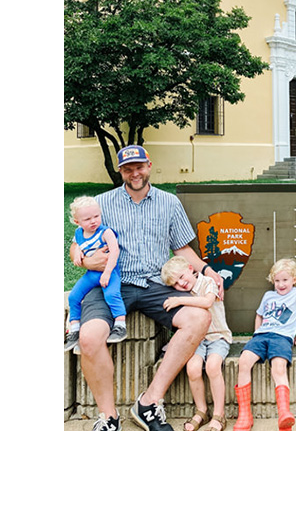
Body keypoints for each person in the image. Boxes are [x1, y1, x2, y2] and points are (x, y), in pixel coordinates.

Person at [70, 145, 222, 431]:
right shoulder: (102, 203)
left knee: (199, 318)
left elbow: (182, 247)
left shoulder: (169, 203)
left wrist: (207, 270)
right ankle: (108, 417)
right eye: (128, 168)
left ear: (149, 165)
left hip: (155, 283)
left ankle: (149, 403)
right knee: (89, 337)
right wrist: (80, 257)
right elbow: (78, 242)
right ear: (120, 171)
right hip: (112, 282)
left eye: (139, 166)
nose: (134, 173)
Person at [233, 258, 296, 431]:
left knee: (278, 368)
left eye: (285, 280)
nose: (281, 284)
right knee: (244, 361)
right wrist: (255, 334)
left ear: (294, 279)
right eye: (277, 281)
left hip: (282, 337)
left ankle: (284, 414)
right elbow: (259, 315)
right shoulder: (269, 296)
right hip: (261, 336)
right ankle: (245, 414)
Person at [159, 256, 232, 431]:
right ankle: (202, 410)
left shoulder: (208, 282)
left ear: (191, 268)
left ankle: (219, 414)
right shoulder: (181, 293)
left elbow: (207, 302)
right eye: (176, 283)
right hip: (197, 340)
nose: (181, 284)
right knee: (192, 368)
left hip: (217, 337)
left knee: (213, 366)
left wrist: (180, 300)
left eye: (182, 277)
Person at [65, 196, 127, 350]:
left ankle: (120, 325)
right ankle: (74, 329)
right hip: (91, 274)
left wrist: (107, 273)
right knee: (73, 297)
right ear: (77, 222)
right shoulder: (79, 233)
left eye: (96, 216)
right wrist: (78, 251)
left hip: (110, 272)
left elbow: (114, 252)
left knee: (111, 294)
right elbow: (76, 244)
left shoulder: (105, 232)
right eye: (87, 219)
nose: (93, 221)